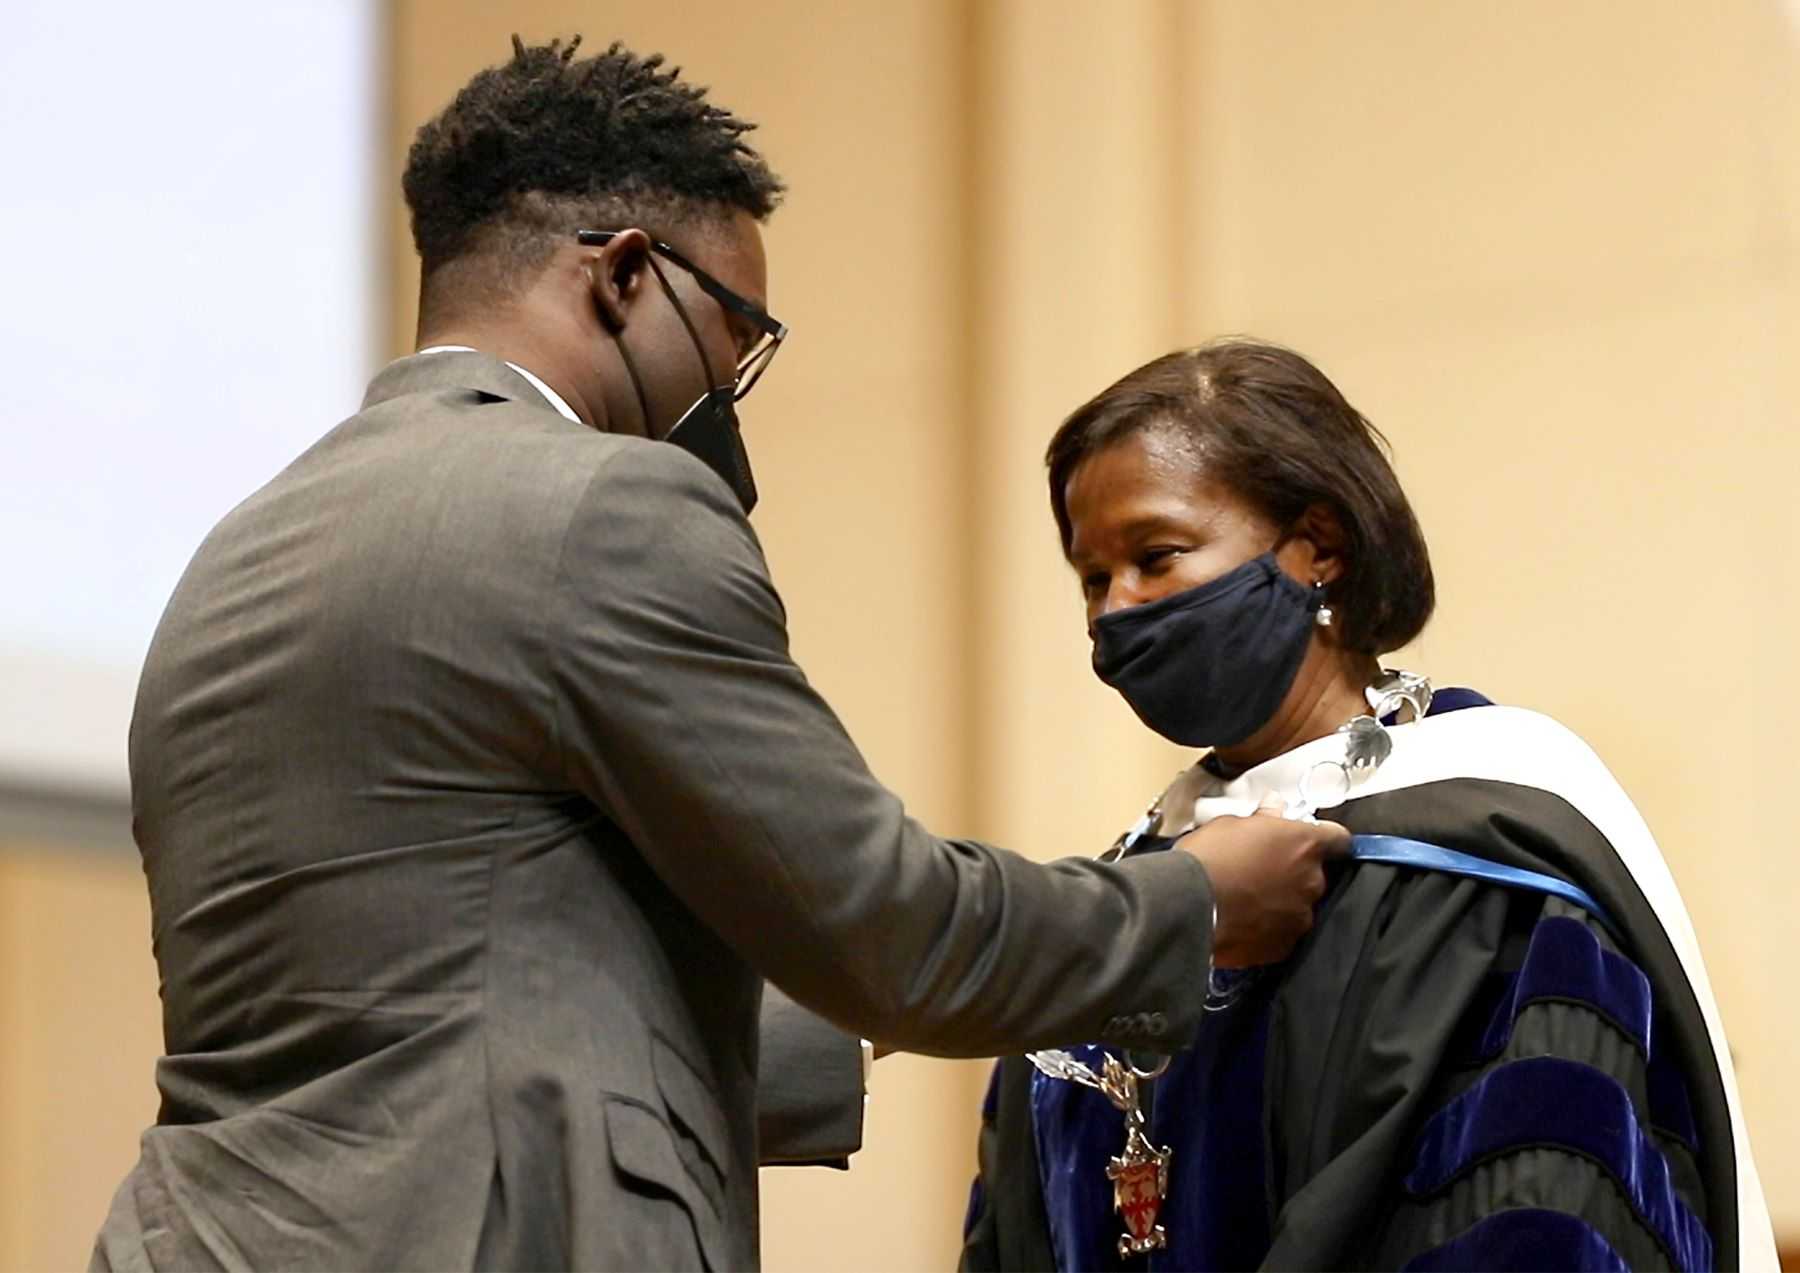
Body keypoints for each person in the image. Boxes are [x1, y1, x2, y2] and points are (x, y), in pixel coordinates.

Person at [90, 39, 1349, 1273]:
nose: (732, 396)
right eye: (738, 337)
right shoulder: (602, 507)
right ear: (628, 274)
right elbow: (888, 925)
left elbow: (427, 1007)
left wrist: (847, 1028)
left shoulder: (235, 557)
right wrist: (1192, 904)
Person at [959, 340, 1778, 1271]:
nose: (1114, 612)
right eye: (1092, 578)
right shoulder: (1131, 900)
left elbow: (1536, 1212)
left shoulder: (1488, 860)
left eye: (1155, 555)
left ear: (1319, 548)